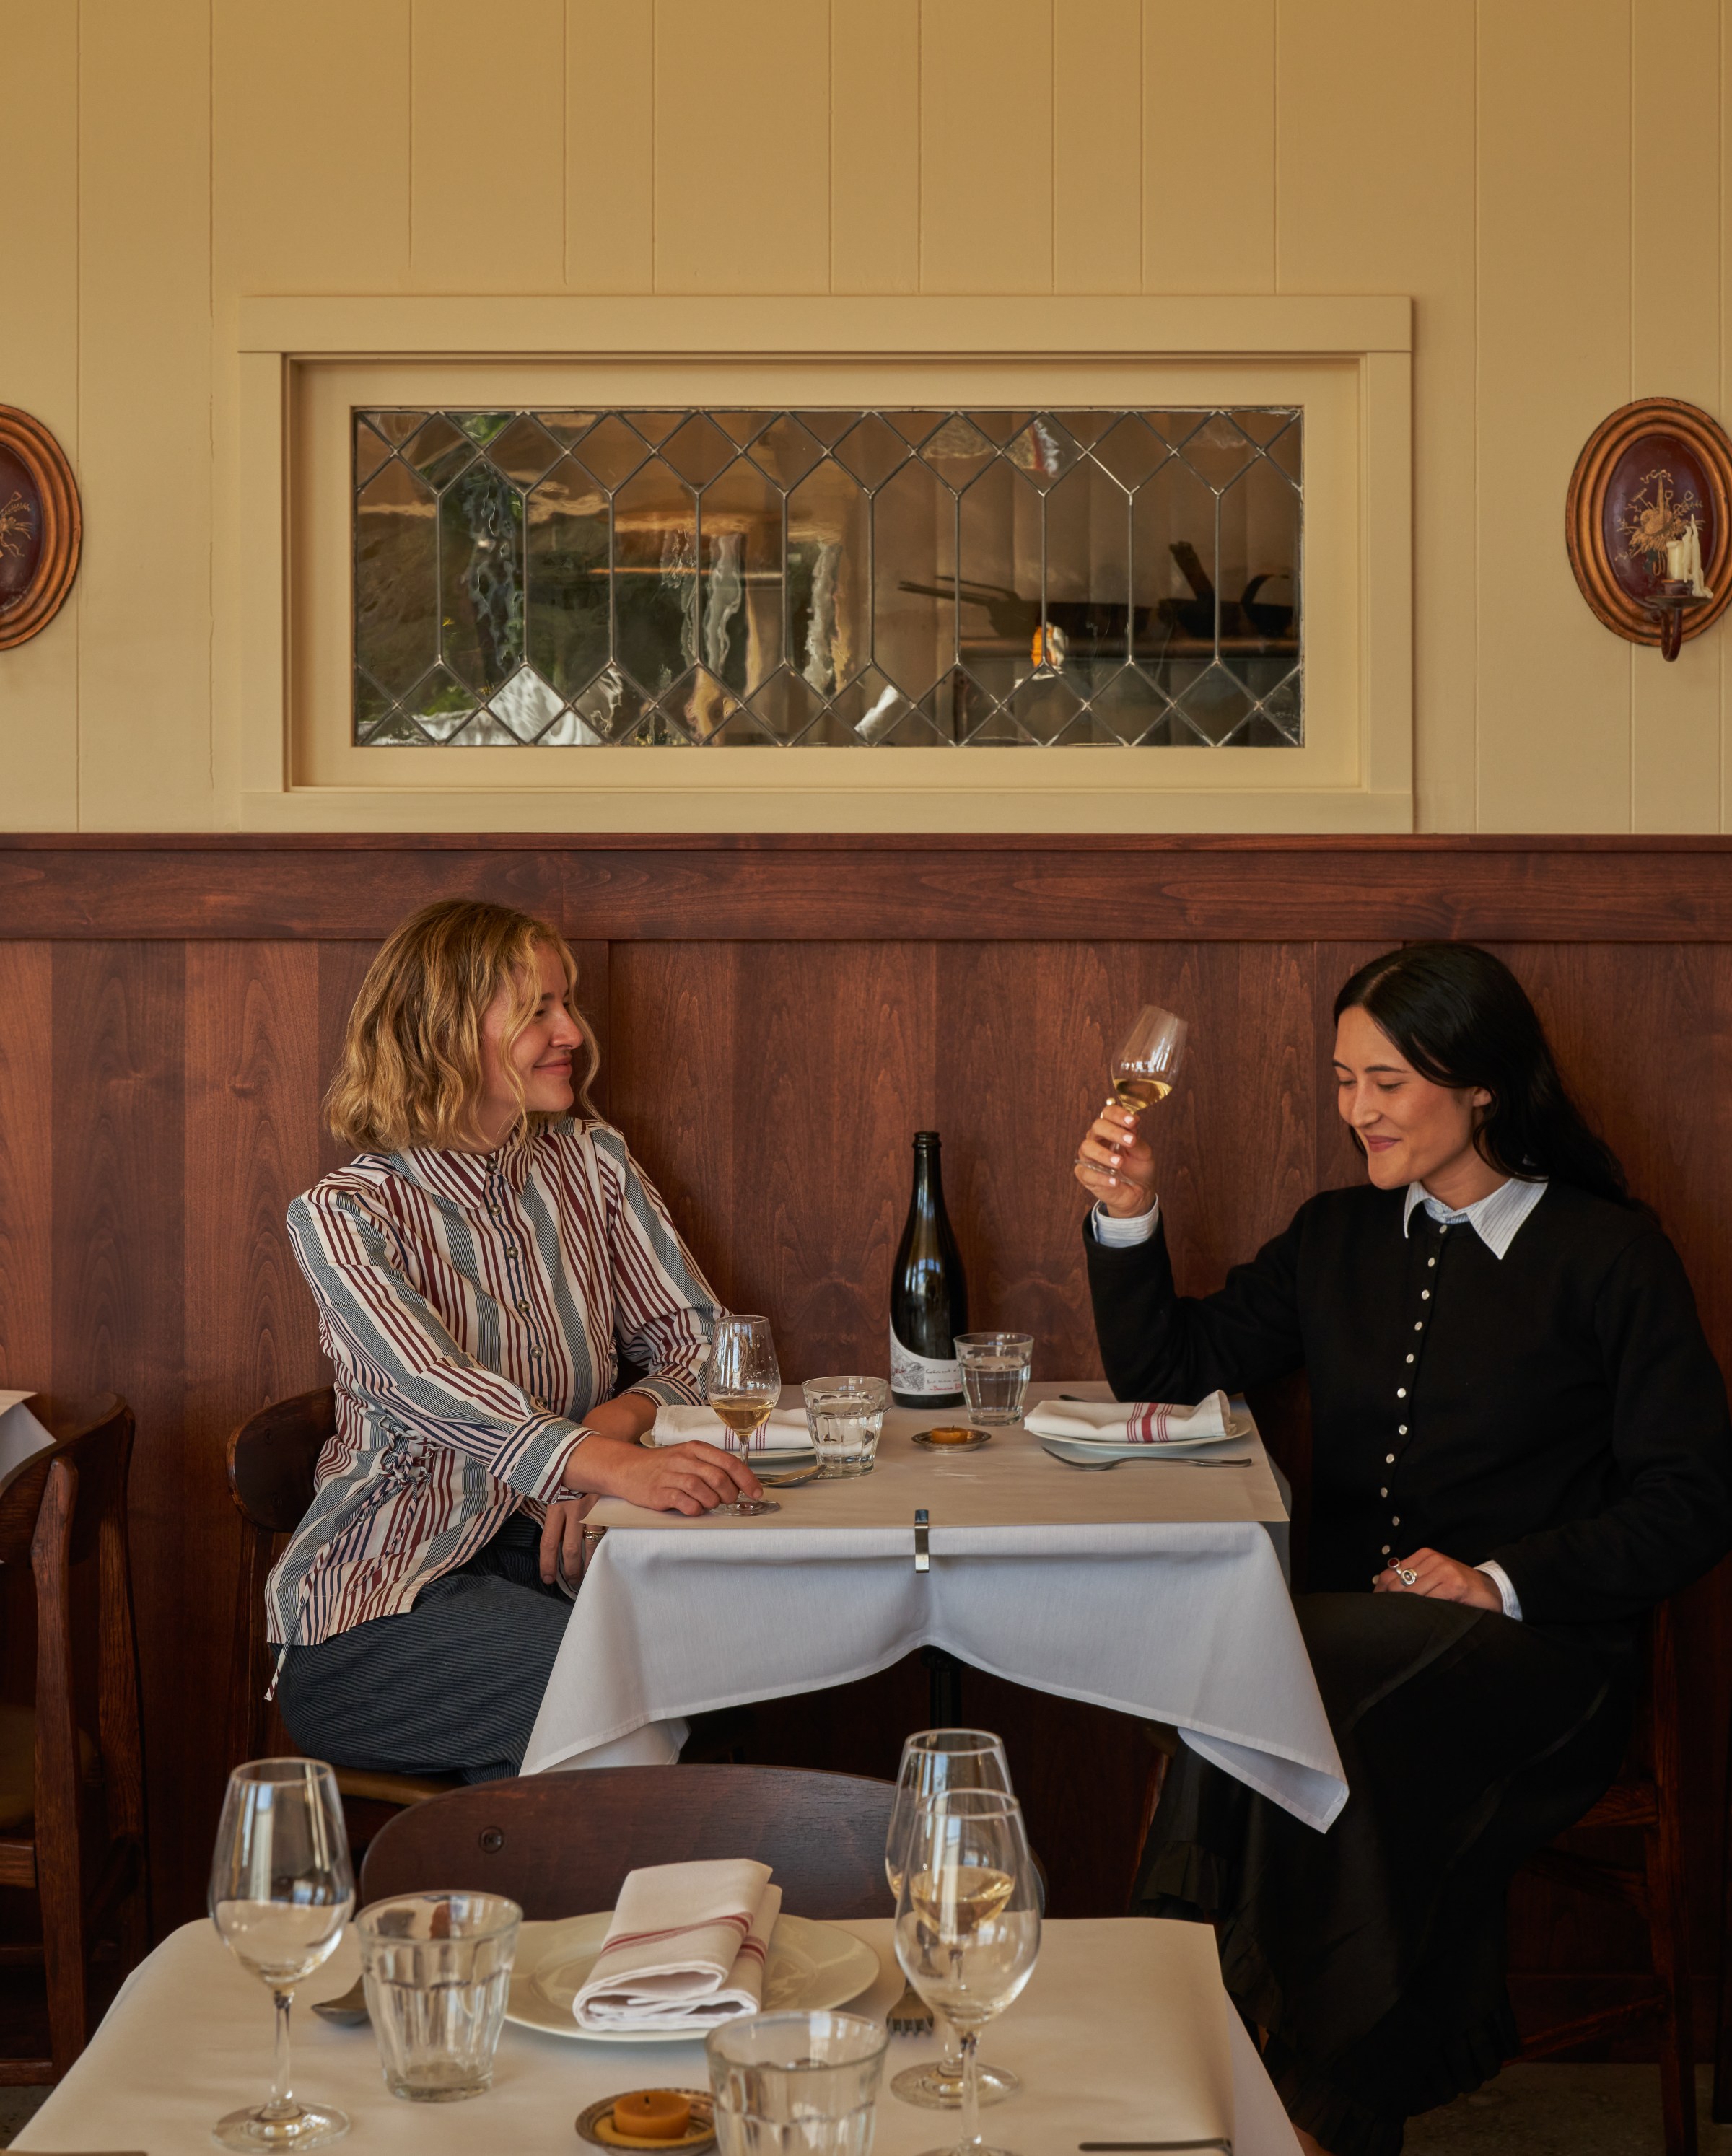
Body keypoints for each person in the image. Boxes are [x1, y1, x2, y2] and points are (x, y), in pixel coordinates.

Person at [1074, 941, 1732, 2156]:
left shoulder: (1608, 1253)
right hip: (1342, 1662)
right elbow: (1169, 1372)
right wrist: (1126, 1216)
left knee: (1269, 1657)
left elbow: (1696, 1498)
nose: (1355, 1110)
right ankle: (1258, 2087)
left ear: (1481, 1081)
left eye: (1387, 1081)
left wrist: (1499, 1580)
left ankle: (1209, 2061)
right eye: (1341, 1080)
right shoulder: (1337, 1237)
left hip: (1544, 1671)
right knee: (1278, 1663)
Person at [269, 898, 761, 1782]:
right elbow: (435, 1386)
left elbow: (706, 1340)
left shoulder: (592, 1162)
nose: (570, 1030)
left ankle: (522, 1905)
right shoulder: (344, 1215)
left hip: (565, 1570)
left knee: (734, 1666)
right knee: (614, 1696)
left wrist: (613, 1430)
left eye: (564, 1002)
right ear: (439, 1031)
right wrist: (600, 1466)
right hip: (383, 1611)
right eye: (536, 1010)